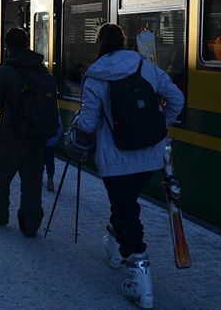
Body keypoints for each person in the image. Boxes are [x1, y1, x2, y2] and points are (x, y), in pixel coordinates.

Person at [74, 23, 184, 309]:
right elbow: (176, 98)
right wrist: (161, 127)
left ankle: (140, 283)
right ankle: (114, 247)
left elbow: (87, 123)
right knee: (125, 205)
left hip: (116, 159)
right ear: (124, 41)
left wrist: (77, 125)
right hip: (150, 155)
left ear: (98, 43)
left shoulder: (95, 75)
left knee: (127, 212)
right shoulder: (145, 67)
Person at [0, 27, 47, 238]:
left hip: (11, 134)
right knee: (32, 181)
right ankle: (30, 225)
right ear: (27, 42)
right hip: (37, 136)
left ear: (7, 46)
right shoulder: (41, 68)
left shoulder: (6, 71)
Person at [43, 114, 63, 191]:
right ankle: (50, 179)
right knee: (50, 161)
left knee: (40, 160)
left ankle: (39, 176)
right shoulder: (56, 114)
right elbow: (61, 129)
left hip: (41, 142)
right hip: (52, 142)